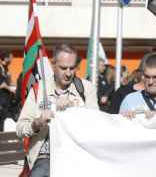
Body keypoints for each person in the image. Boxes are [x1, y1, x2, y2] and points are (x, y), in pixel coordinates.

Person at [17, 44, 98, 177]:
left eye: (72, 68)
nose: (68, 73)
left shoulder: (87, 89)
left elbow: (95, 123)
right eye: (63, 68)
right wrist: (37, 123)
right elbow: (20, 129)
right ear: (53, 65)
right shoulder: (38, 90)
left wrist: (72, 110)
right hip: (45, 157)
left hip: (77, 155)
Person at [0, 50, 15, 131]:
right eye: (10, 58)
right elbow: (1, 84)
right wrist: (11, 90)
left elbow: (8, 82)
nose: (12, 60)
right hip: (1, 100)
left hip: (5, 100)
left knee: (2, 120)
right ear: (5, 58)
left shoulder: (6, 69)